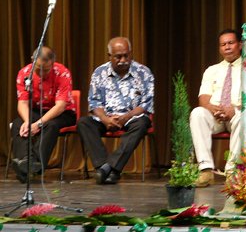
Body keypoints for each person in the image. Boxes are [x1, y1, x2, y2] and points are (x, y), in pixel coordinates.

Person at [77, 37, 154, 185]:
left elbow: (146, 104)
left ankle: (110, 168)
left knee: (143, 123)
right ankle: (104, 167)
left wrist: (125, 117)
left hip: (132, 117)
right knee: (83, 123)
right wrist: (106, 119)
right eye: (118, 57)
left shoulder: (143, 72)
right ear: (109, 56)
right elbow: (94, 102)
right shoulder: (99, 72)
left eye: (126, 55)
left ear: (130, 54)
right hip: (105, 117)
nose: (123, 60)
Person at [11, 46, 76, 183]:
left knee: (50, 125)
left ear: (53, 63)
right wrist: (28, 121)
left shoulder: (62, 73)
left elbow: (60, 106)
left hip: (62, 112)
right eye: (38, 69)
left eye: (46, 70)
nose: (41, 73)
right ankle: (26, 161)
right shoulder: (24, 74)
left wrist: (38, 123)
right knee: (18, 124)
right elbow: (22, 103)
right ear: (32, 61)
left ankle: (35, 165)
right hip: (37, 110)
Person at [190, 29, 243, 187]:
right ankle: (206, 170)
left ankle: (232, 172)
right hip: (216, 116)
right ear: (220, 48)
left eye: (231, 43)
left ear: (240, 45)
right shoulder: (212, 70)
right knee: (198, 113)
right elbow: (203, 98)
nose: (227, 47)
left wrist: (233, 110)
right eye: (223, 44)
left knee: (243, 116)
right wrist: (213, 109)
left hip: (237, 113)